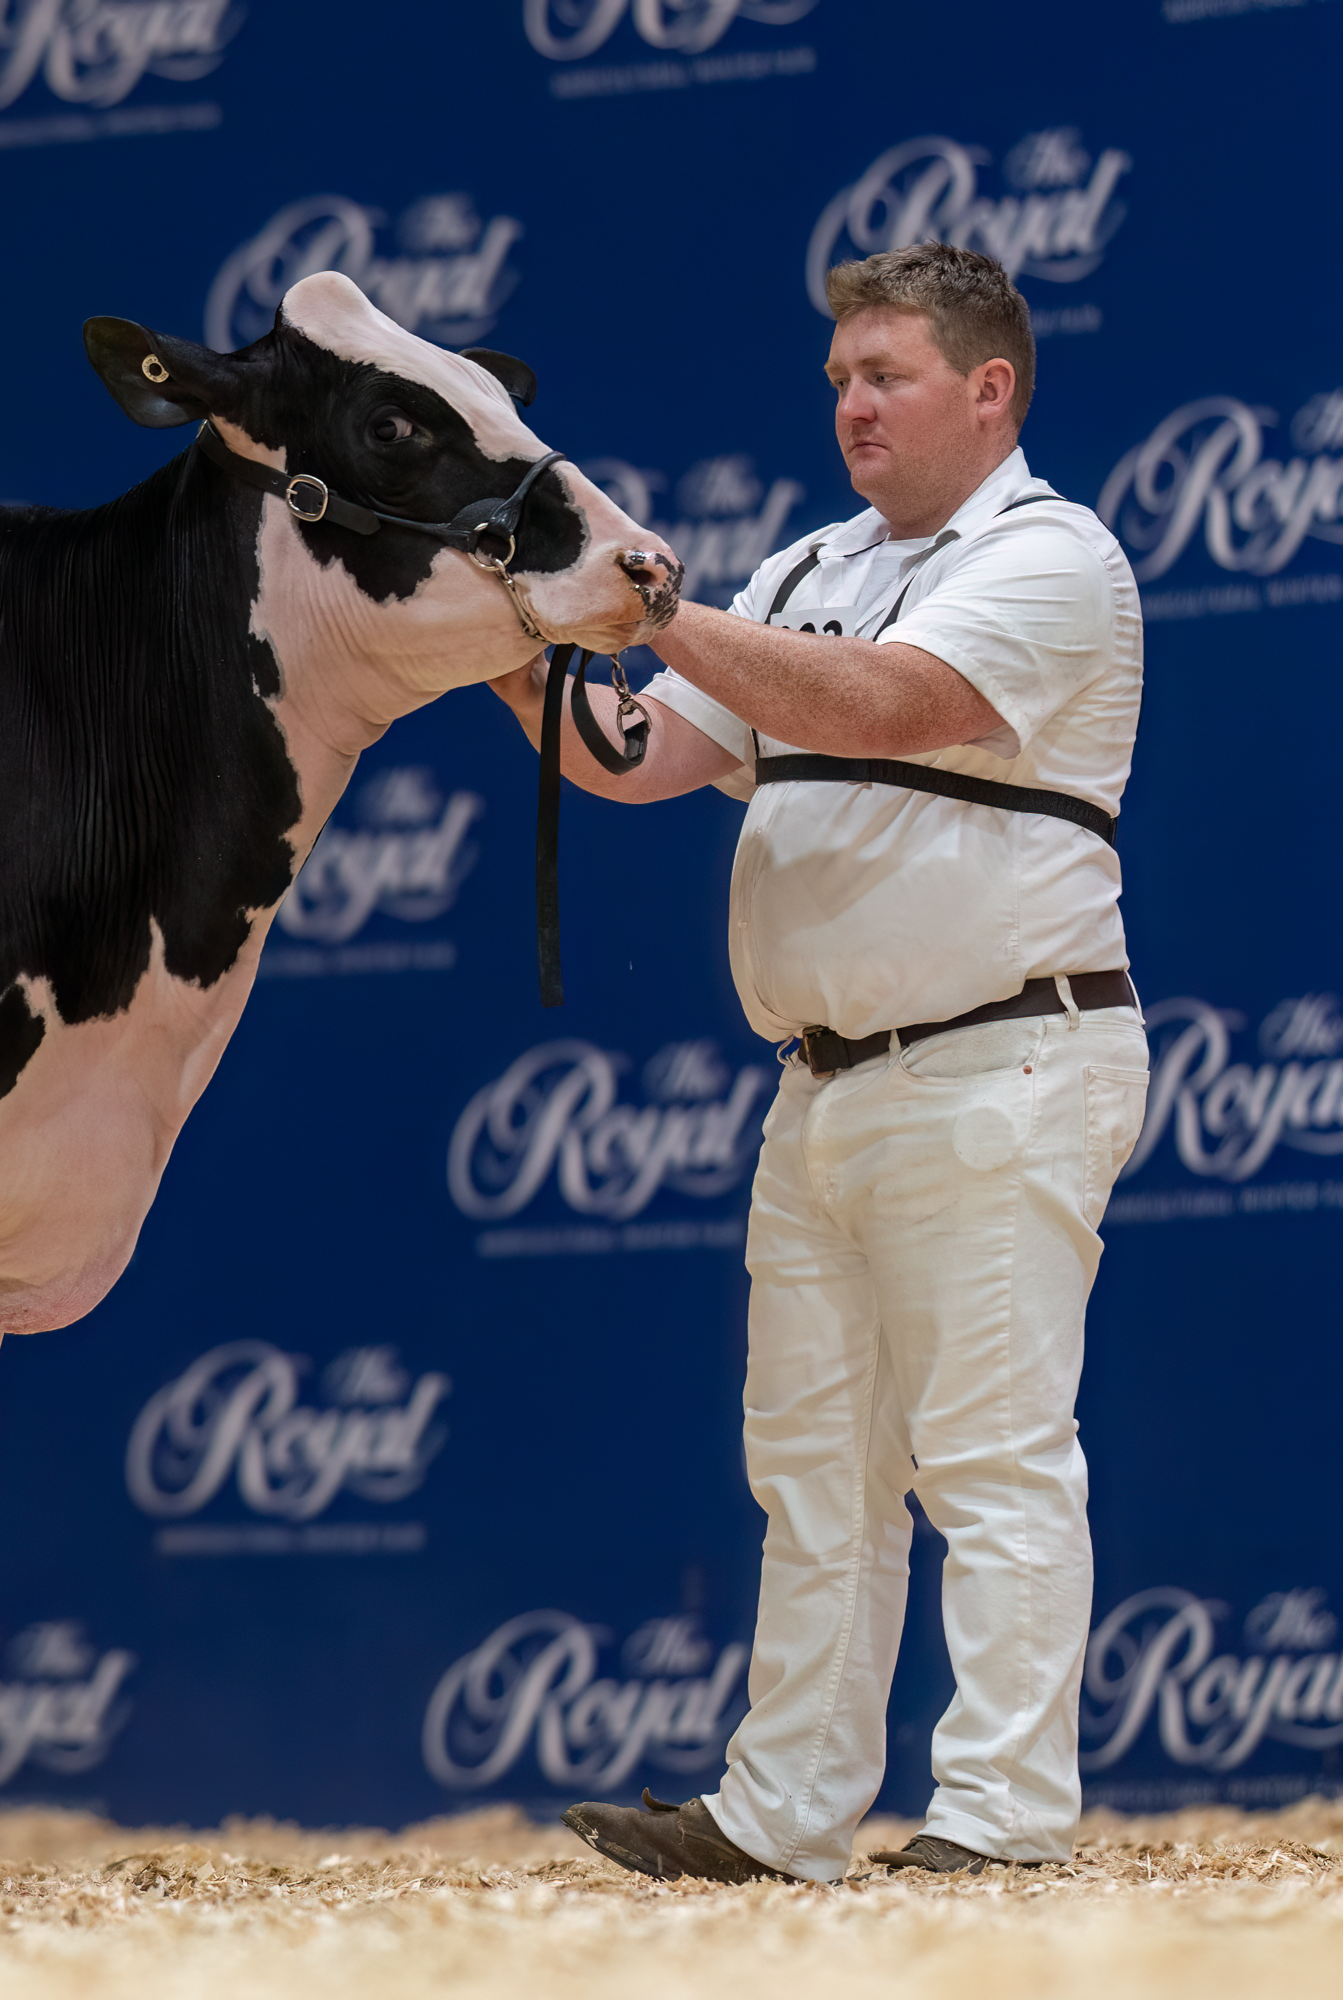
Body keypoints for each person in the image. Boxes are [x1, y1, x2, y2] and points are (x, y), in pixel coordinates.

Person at [496, 241, 1147, 1882]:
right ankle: (783, 1815)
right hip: (823, 1081)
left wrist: (658, 611)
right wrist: (505, 630)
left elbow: (886, 702)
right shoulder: (804, 565)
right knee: (815, 1474)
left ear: (989, 390)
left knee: (990, 1458)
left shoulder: (1055, 554)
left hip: (1002, 1057)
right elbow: (632, 755)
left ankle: (1000, 1819)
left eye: (886, 375)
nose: (851, 402)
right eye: (841, 376)